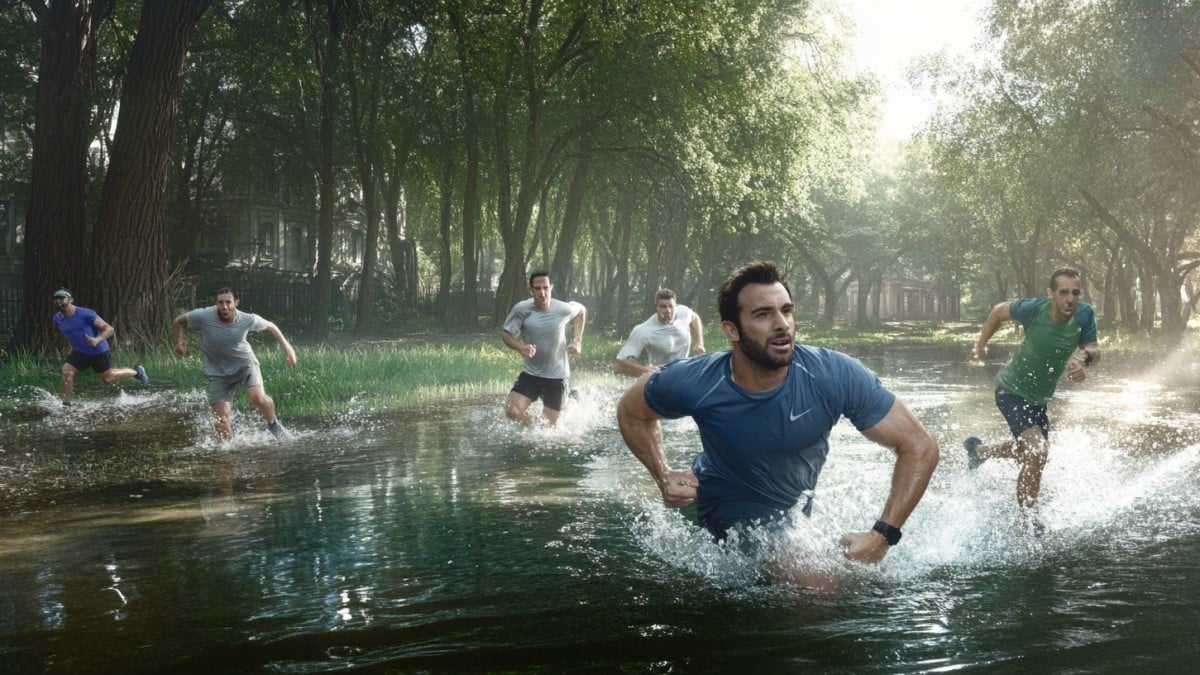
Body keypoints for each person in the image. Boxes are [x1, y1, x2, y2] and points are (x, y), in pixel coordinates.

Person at [616, 261, 939, 583]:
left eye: (786, 311)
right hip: (725, 509)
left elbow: (919, 446)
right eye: (763, 314)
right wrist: (663, 474)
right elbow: (631, 412)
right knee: (818, 585)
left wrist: (882, 535)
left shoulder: (832, 374)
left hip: (792, 520)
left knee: (837, 579)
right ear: (732, 330)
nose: (782, 324)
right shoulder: (696, 380)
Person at [964, 267, 1100, 515]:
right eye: (1064, 292)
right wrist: (980, 344)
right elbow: (998, 311)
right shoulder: (1033, 309)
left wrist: (1083, 361)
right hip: (1011, 390)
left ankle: (980, 451)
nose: (1070, 299)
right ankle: (1027, 521)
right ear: (1051, 293)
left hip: (1039, 399)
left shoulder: (1084, 314)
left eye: (1075, 293)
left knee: (1028, 453)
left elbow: (1092, 347)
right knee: (1037, 453)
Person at [172, 287, 298, 442]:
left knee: (257, 398)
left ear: (236, 303)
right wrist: (178, 342)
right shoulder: (203, 316)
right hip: (218, 372)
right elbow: (178, 322)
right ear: (216, 303)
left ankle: (273, 424)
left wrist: (288, 349)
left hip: (245, 364)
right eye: (220, 302)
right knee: (221, 421)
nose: (224, 307)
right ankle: (228, 454)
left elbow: (271, 326)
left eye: (228, 302)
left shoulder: (247, 319)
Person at [500, 271, 587, 427]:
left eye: (545, 288)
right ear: (531, 290)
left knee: (552, 428)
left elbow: (581, 310)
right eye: (538, 288)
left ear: (551, 288)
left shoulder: (563, 309)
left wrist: (577, 341)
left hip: (557, 376)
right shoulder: (521, 309)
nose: (542, 293)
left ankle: (570, 402)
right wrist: (520, 347)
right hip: (531, 374)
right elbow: (506, 334)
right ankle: (534, 425)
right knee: (512, 411)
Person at [51, 288, 149, 407]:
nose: (58, 301)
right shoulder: (57, 319)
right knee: (66, 372)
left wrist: (97, 340)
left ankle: (136, 371)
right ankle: (66, 405)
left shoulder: (86, 314)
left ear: (71, 300)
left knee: (107, 378)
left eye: (61, 298)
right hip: (80, 353)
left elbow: (109, 329)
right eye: (56, 299)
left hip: (98, 351)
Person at [613, 288, 706, 377]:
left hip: (684, 371)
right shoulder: (644, 330)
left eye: (671, 306)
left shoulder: (683, 312)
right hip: (661, 376)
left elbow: (694, 317)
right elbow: (621, 359)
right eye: (663, 307)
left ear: (675, 306)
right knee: (618, 369)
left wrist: (699, 342)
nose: (668, 311)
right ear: (656, 307)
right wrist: (644, 369)